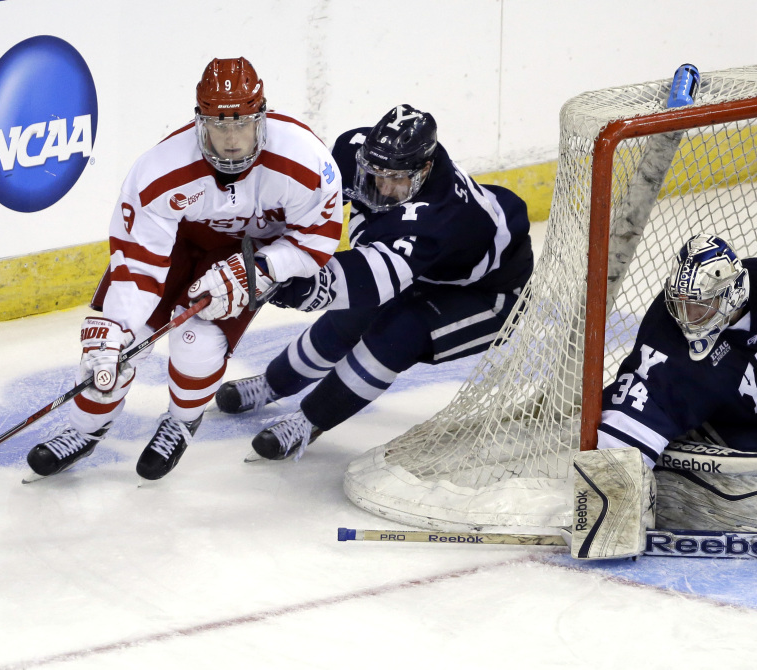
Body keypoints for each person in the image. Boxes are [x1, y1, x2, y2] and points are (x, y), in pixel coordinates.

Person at [24, 57, 342, 482]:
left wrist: (263, 268)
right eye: (218, 125)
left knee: (196, 342)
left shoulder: (305, 162)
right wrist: (116, 327)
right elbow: (139, 260)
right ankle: (84, 429)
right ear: (200, 122)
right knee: (113, 346)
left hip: (245, 256)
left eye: (242, 123)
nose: (231, 139)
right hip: (174, 249)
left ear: (261, 118)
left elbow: (316, 238)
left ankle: (181, 421)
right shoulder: (161, 170)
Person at [214, 103, 534, 460]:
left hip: (490, 294)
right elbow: (311, 201)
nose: (382, 185)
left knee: (398, 332)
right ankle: (272, 384)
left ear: (425, 169)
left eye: (396, 178)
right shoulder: (356, 151)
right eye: (375, 172)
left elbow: (374, 277)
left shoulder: (440, 216)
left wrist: (306, 285)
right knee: (350, 317)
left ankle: (309, 421)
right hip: (430, 268)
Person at [572, 233, 757, 559]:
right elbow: (624, 430)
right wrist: (611, 512)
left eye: (701, 306)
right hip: (729, 434)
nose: (689, 317)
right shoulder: (670, 345)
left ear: (735, 293)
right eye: (683, 304)